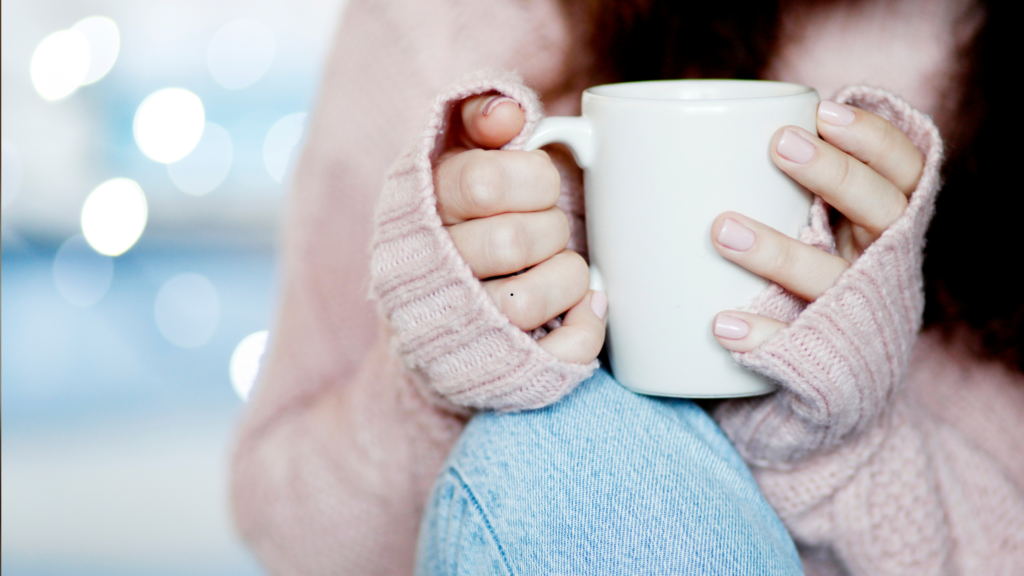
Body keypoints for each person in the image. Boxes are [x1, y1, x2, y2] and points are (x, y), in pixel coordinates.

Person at [231, 0, 1024, 574]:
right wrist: (438, 377)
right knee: (570, 442)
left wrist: (850, 447)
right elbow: (284, 531)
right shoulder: (447, 21)